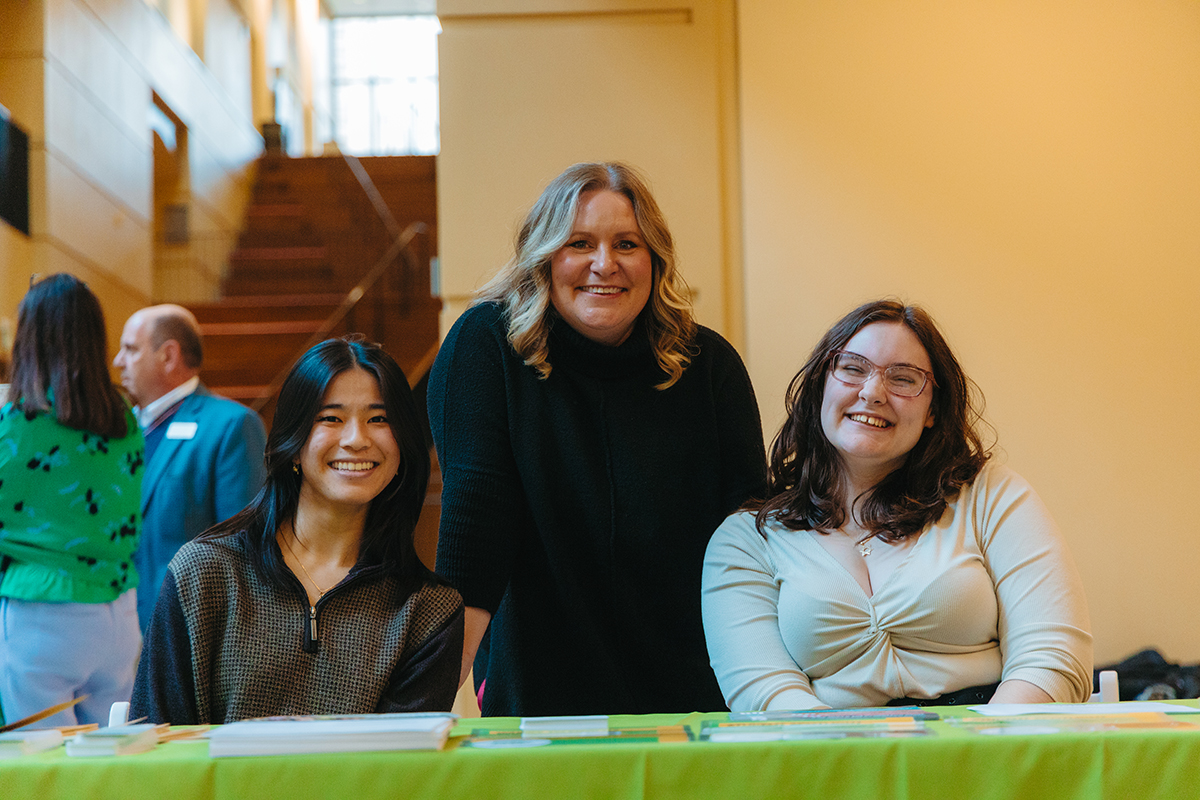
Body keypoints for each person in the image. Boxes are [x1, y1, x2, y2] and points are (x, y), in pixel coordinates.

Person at [430, 162, 767, 716]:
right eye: (579, 243)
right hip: (539, 687)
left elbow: (749, 529)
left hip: (692, 686)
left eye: (627, 244)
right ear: (543, 256)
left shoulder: (708, 366)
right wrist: (428, 701)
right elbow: (476, 516)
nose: (604, 264)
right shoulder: (487, 345)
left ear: (655, 260)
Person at [701, 299, 1093, 710]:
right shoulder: (747, 538)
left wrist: (974, 755)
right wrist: (866, 768)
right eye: (852, 368)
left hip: (992, 752)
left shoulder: (992, 496)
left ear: (932, 412)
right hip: (830, 759)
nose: (872, 392)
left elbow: (1053, 659)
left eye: (904, 379)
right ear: (821, 386)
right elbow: (765, 694)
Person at [131, 337, 463, 724]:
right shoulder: (204, 574)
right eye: (331, 418)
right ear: (294, 440)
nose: (356, 439)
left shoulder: (428, 610)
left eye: (379, 418)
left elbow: (399, 774)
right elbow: (155, 746)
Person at [0, 273, 144, 727]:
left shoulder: (14, 425)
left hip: (42, 609)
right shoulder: (125, 420)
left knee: (41, 765)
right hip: (120, 610)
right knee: (114, 759)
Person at [113, 304, 267, 632]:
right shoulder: (118, 432)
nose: (118, 361)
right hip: (114, 631)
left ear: (168, 356)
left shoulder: (231, 426)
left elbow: (243, 550)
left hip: (184, 630)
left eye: (130, 349)